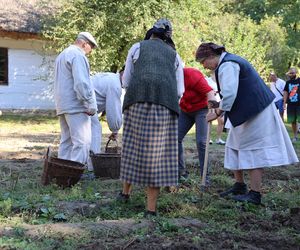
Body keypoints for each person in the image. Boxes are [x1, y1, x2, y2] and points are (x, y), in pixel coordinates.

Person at [196, 42, 298, 205]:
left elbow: (230, 94)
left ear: (210, 57)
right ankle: (239, 185)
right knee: (234, 146)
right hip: (246, 112)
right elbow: (232, 93)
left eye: (203, 62)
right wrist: (217, 105)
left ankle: (255, 194)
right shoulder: (225, 63)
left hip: (258, 112)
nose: (205, 67)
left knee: (253, 150)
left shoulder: (228, 65)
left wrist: (217, 113)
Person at [119, 18, 184, 216]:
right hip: (164, 106)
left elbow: (126, 81)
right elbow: (180, 90)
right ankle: (151, 209)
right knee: (157, 155)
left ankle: (125, 194)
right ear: (168, 36)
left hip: (136, 103)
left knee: (132, 147)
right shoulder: (174, 55)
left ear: (151, 33)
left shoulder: (137, 47)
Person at [54, 32, 98, 165]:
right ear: (85, 44)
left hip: (63, 104)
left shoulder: (63, 54)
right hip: (76, 105)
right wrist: (89, 103)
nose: (89, 53)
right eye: (90, 49)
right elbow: (81, 83)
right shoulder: (78, 55)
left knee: (66, 141)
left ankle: (62, 174)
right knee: (82, 142)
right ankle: (76, 175)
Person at [178, 68, 215, 180]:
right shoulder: (170, 78)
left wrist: (211, 111)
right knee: (175, 138)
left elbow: (210, 92)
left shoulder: (191, 74)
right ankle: (180, 172)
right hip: (185, 109)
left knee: (201, 142)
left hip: (202, 109)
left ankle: (205, 177)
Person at [89, 70, 123, 163]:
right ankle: (93, 164)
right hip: (83, 104)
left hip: (75, 102)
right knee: (95, 129)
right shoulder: (115, 85)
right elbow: (113, 109)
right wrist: (115, 130)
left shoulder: (111, 78)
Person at [206, 76, 226, 145]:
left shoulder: (222, 79)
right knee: (209, 120)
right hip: (211, 102)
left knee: (221, 121)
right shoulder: (208, 80)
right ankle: (208, 138)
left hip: (220, 102)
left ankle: (218, 139)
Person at [283, 67, 300, 142]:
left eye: (293, 73)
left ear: (296, 73)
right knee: (292, 121)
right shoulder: (288, 83)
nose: (291, 74)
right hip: (291, 105)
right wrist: (284, 103)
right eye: (290, 73)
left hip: (299, 104)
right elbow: (286, 93)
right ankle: (295, 136)